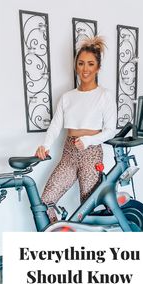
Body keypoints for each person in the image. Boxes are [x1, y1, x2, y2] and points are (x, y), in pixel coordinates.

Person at [35, 36, 117, 222]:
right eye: (81, 63)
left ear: (98, 67)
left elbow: (111, 130)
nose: (85, 69)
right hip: (69, 153)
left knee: (88, 205)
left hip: (91, 154)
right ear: (75, 66)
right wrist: (45, 146)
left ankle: (90, 247)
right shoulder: (67, 97)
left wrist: (88, 140)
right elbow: (56, 125)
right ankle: (59, 239)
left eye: (90, 64)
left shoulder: (104, 95)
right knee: (45, 201)